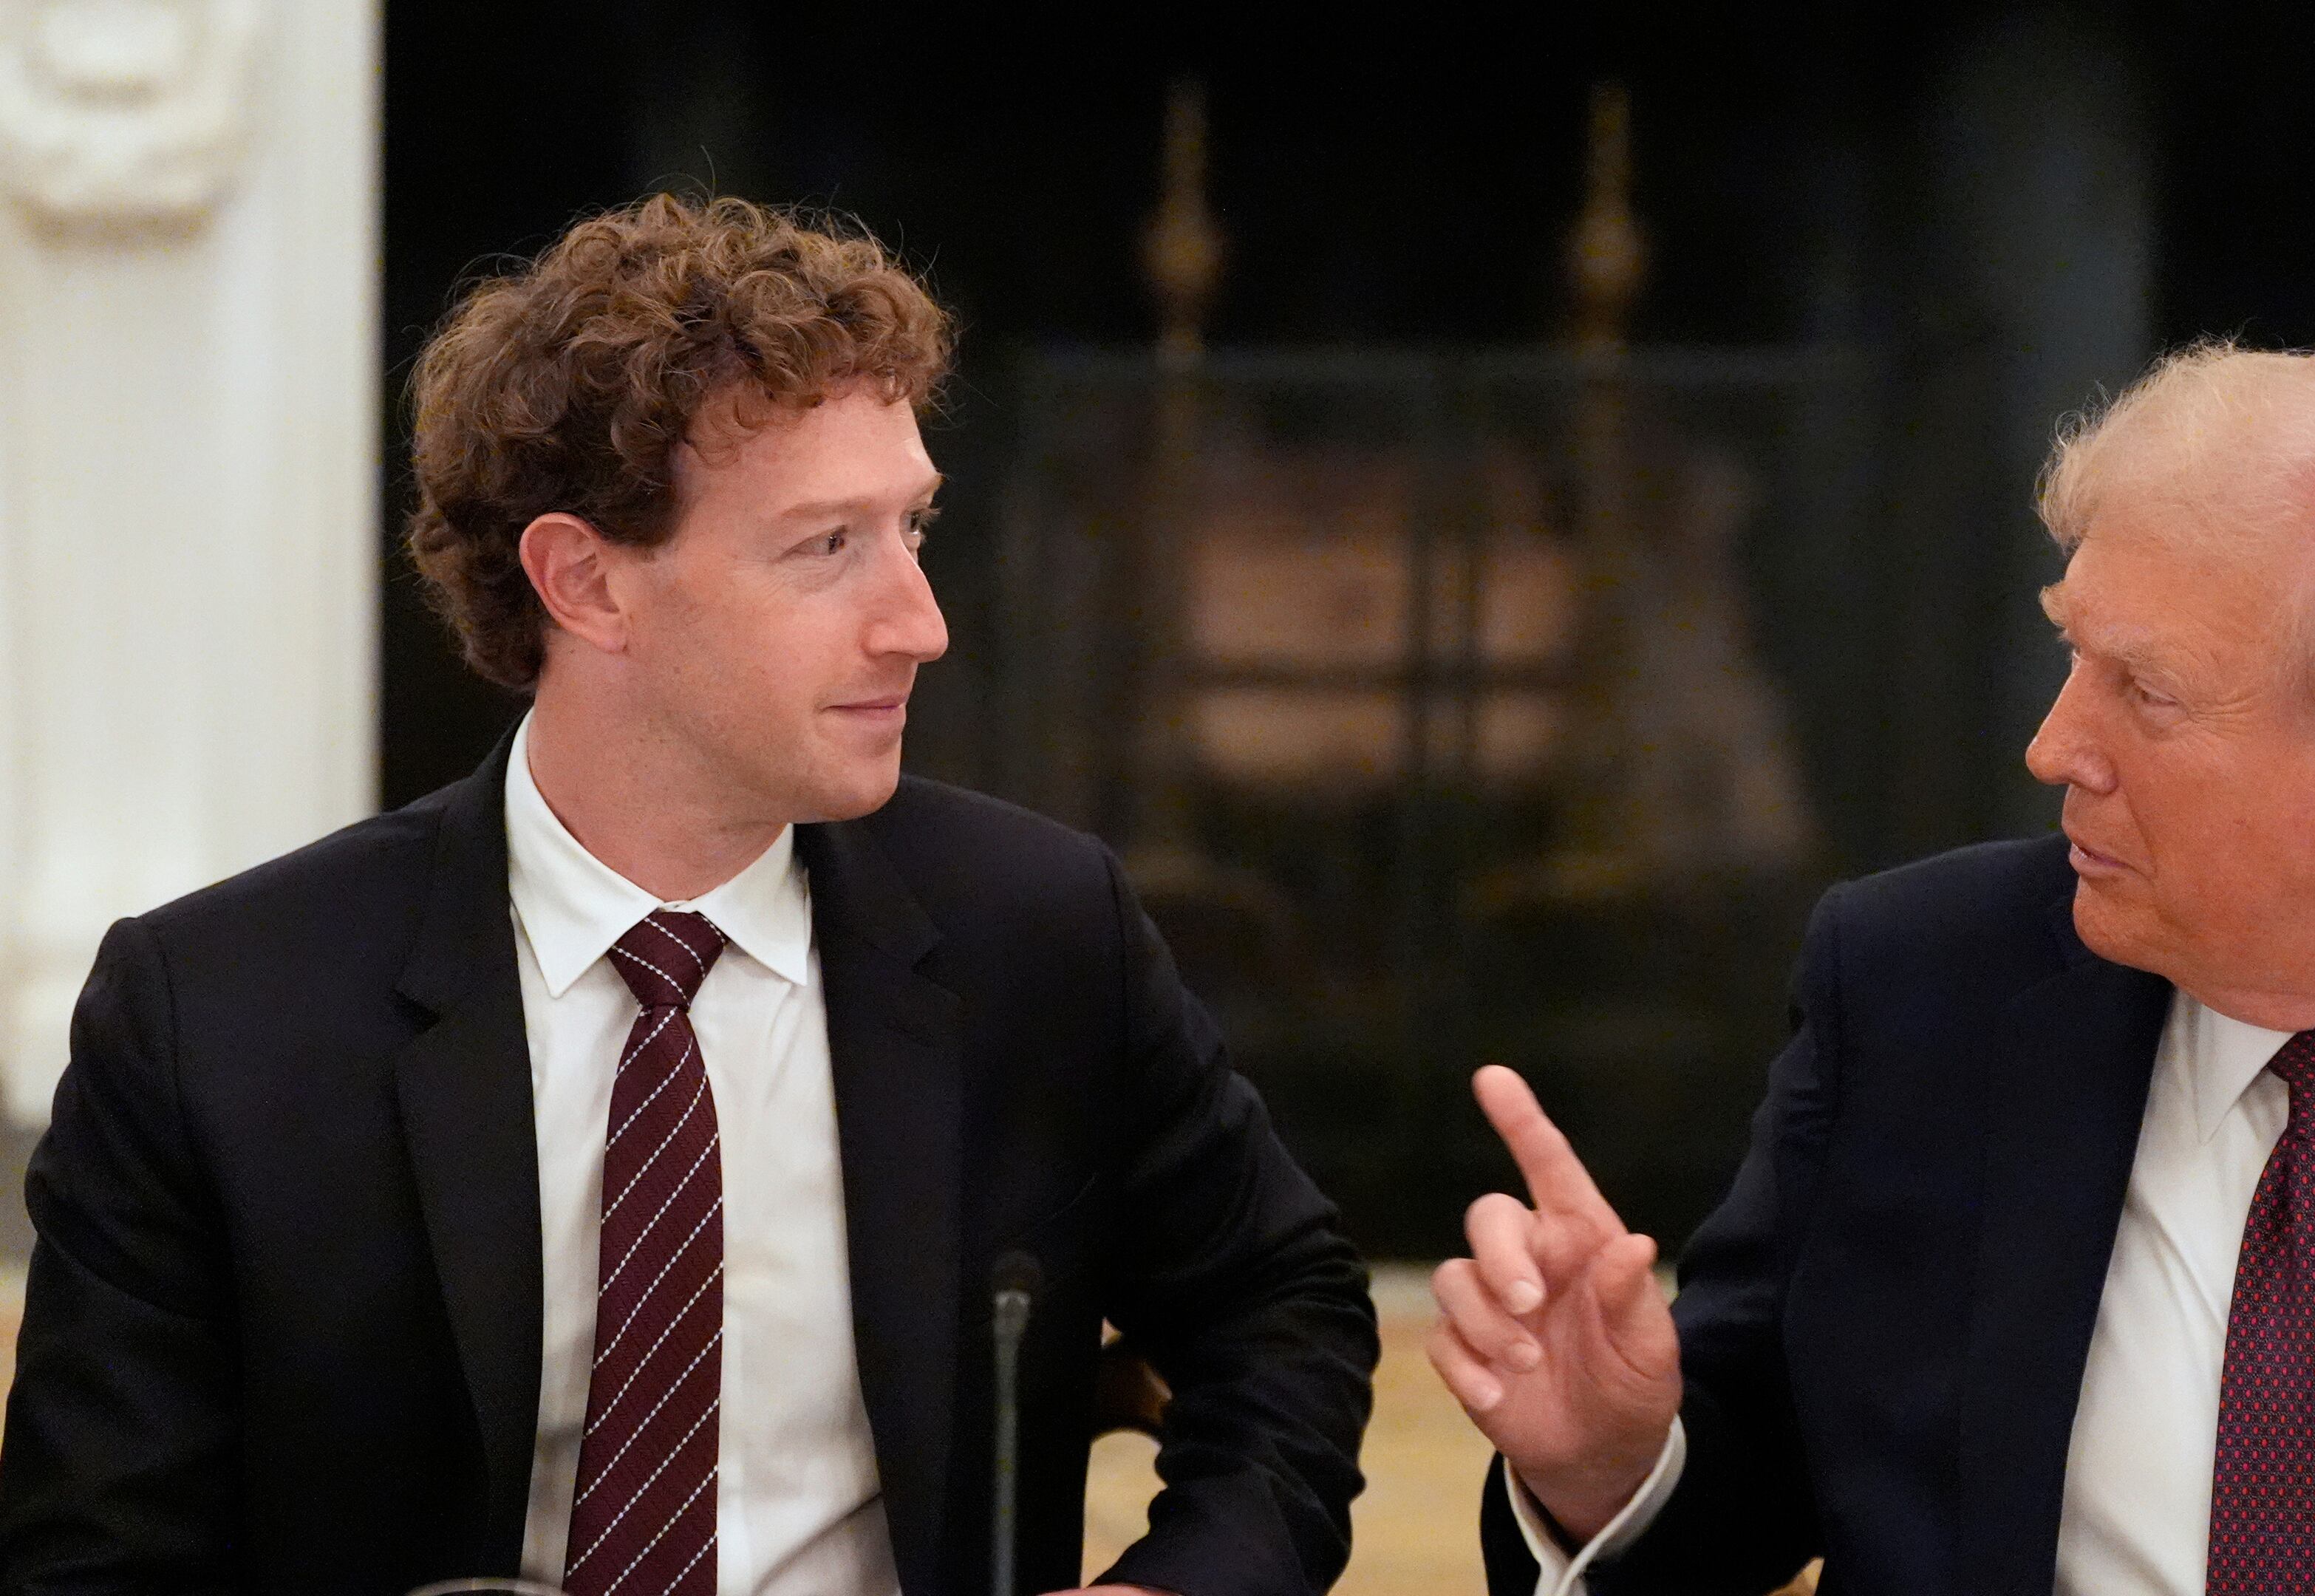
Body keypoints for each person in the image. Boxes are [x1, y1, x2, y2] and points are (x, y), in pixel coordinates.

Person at [0, 195, 1377, 1596]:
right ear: (586, 583)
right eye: (827, 546)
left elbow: (1285, 1309)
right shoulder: (217, 1017)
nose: (922, 620)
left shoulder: (1037, 932)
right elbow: (96, 1565)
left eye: (913, 527)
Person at [1431, 343, 2315, 1595]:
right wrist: (1609, 1466)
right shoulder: (1925, 995)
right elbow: (1734, 1490)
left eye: (2145, 693)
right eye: (2071, 655)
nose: (2055, 747)